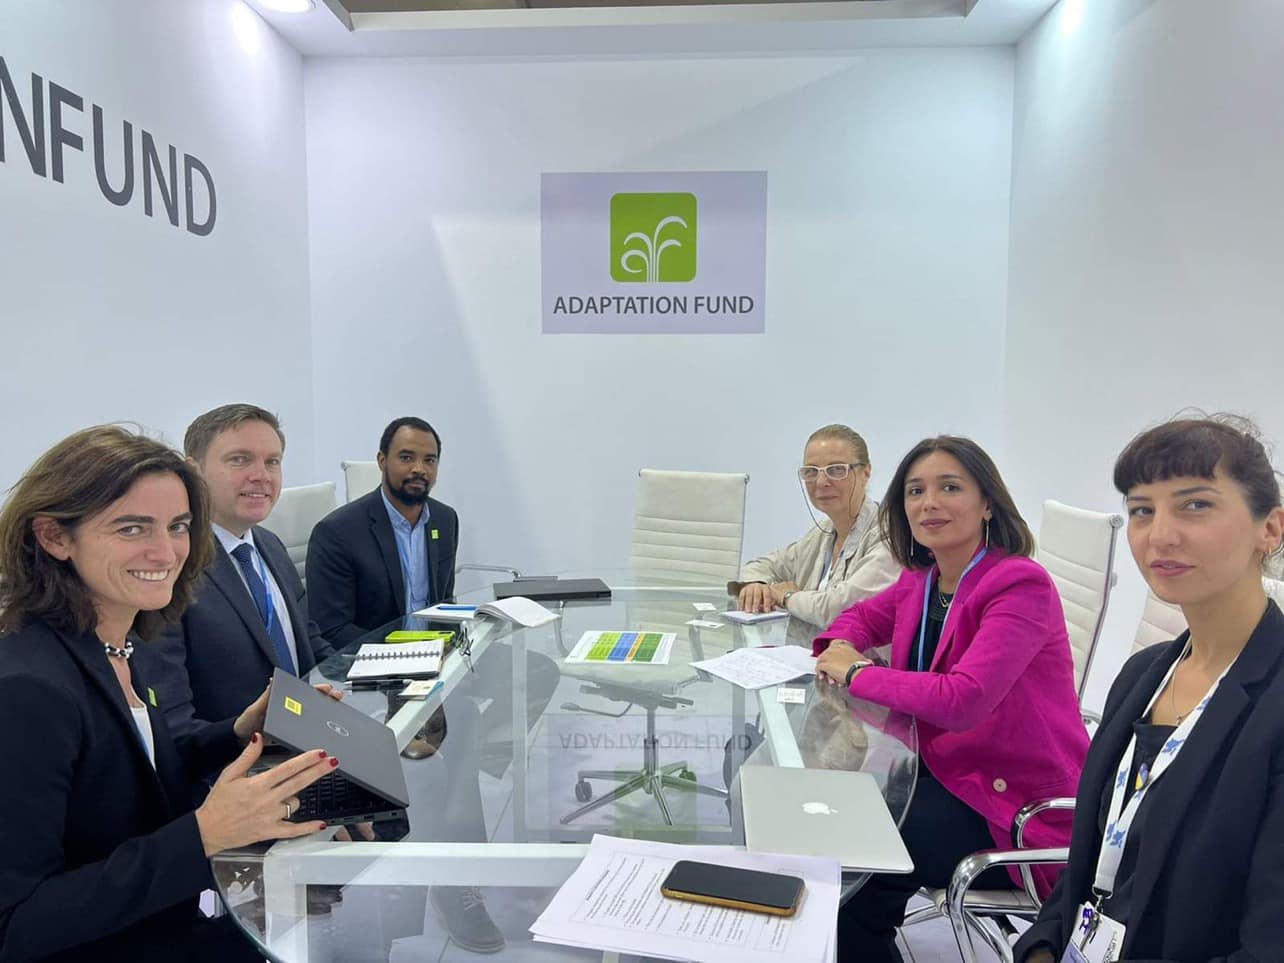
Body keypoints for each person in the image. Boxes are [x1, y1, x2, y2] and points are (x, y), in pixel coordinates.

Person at [0, 426, 336, 961]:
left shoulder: (118, 644)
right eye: (132, 527)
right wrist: (204, 835)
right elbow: (16, 925)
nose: (166, 551)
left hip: (167, 923)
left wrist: (238, 731)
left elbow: (137, 772)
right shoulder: (26, 691)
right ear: (54, 537)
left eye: (178, 526)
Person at [1015, 416, 1284, 963]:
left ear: (1271, 529)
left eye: (1195, 504)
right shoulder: (1142, 676)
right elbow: (1089, 867)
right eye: (1141, 510)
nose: (1159, 535)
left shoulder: (1272, 709)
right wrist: (1043, 946)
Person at [812, 435, 1088, 962]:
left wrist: (858, 672)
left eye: (950, 487)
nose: (929, 503)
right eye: (915, 491)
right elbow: (859, 618)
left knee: (851, 861)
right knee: (838, 837)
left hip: (1009, 808)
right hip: (940, 772)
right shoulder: (924, 579)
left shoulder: (1018, 585)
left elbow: (963, 699)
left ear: (988, 504)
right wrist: (840, 646)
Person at [139, 405, 336, 738]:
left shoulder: (270, 544)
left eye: (272, 461)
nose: (262, 475)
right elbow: (174, 725)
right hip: (237, 759)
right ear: (193, 472)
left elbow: (309, 640)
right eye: (240, 459)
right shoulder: (169, 566)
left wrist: (363, 675)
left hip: (311, 735)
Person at [735, 424, 901, 627]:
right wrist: (756, 585)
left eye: (836, 470)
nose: (821, 482)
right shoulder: (823, 532)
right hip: (807, 646)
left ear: (865, 472)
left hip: (857, 648)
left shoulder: (891, 535)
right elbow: (761, 565)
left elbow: (839, 609)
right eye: (811, 472)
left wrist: (786, 597)